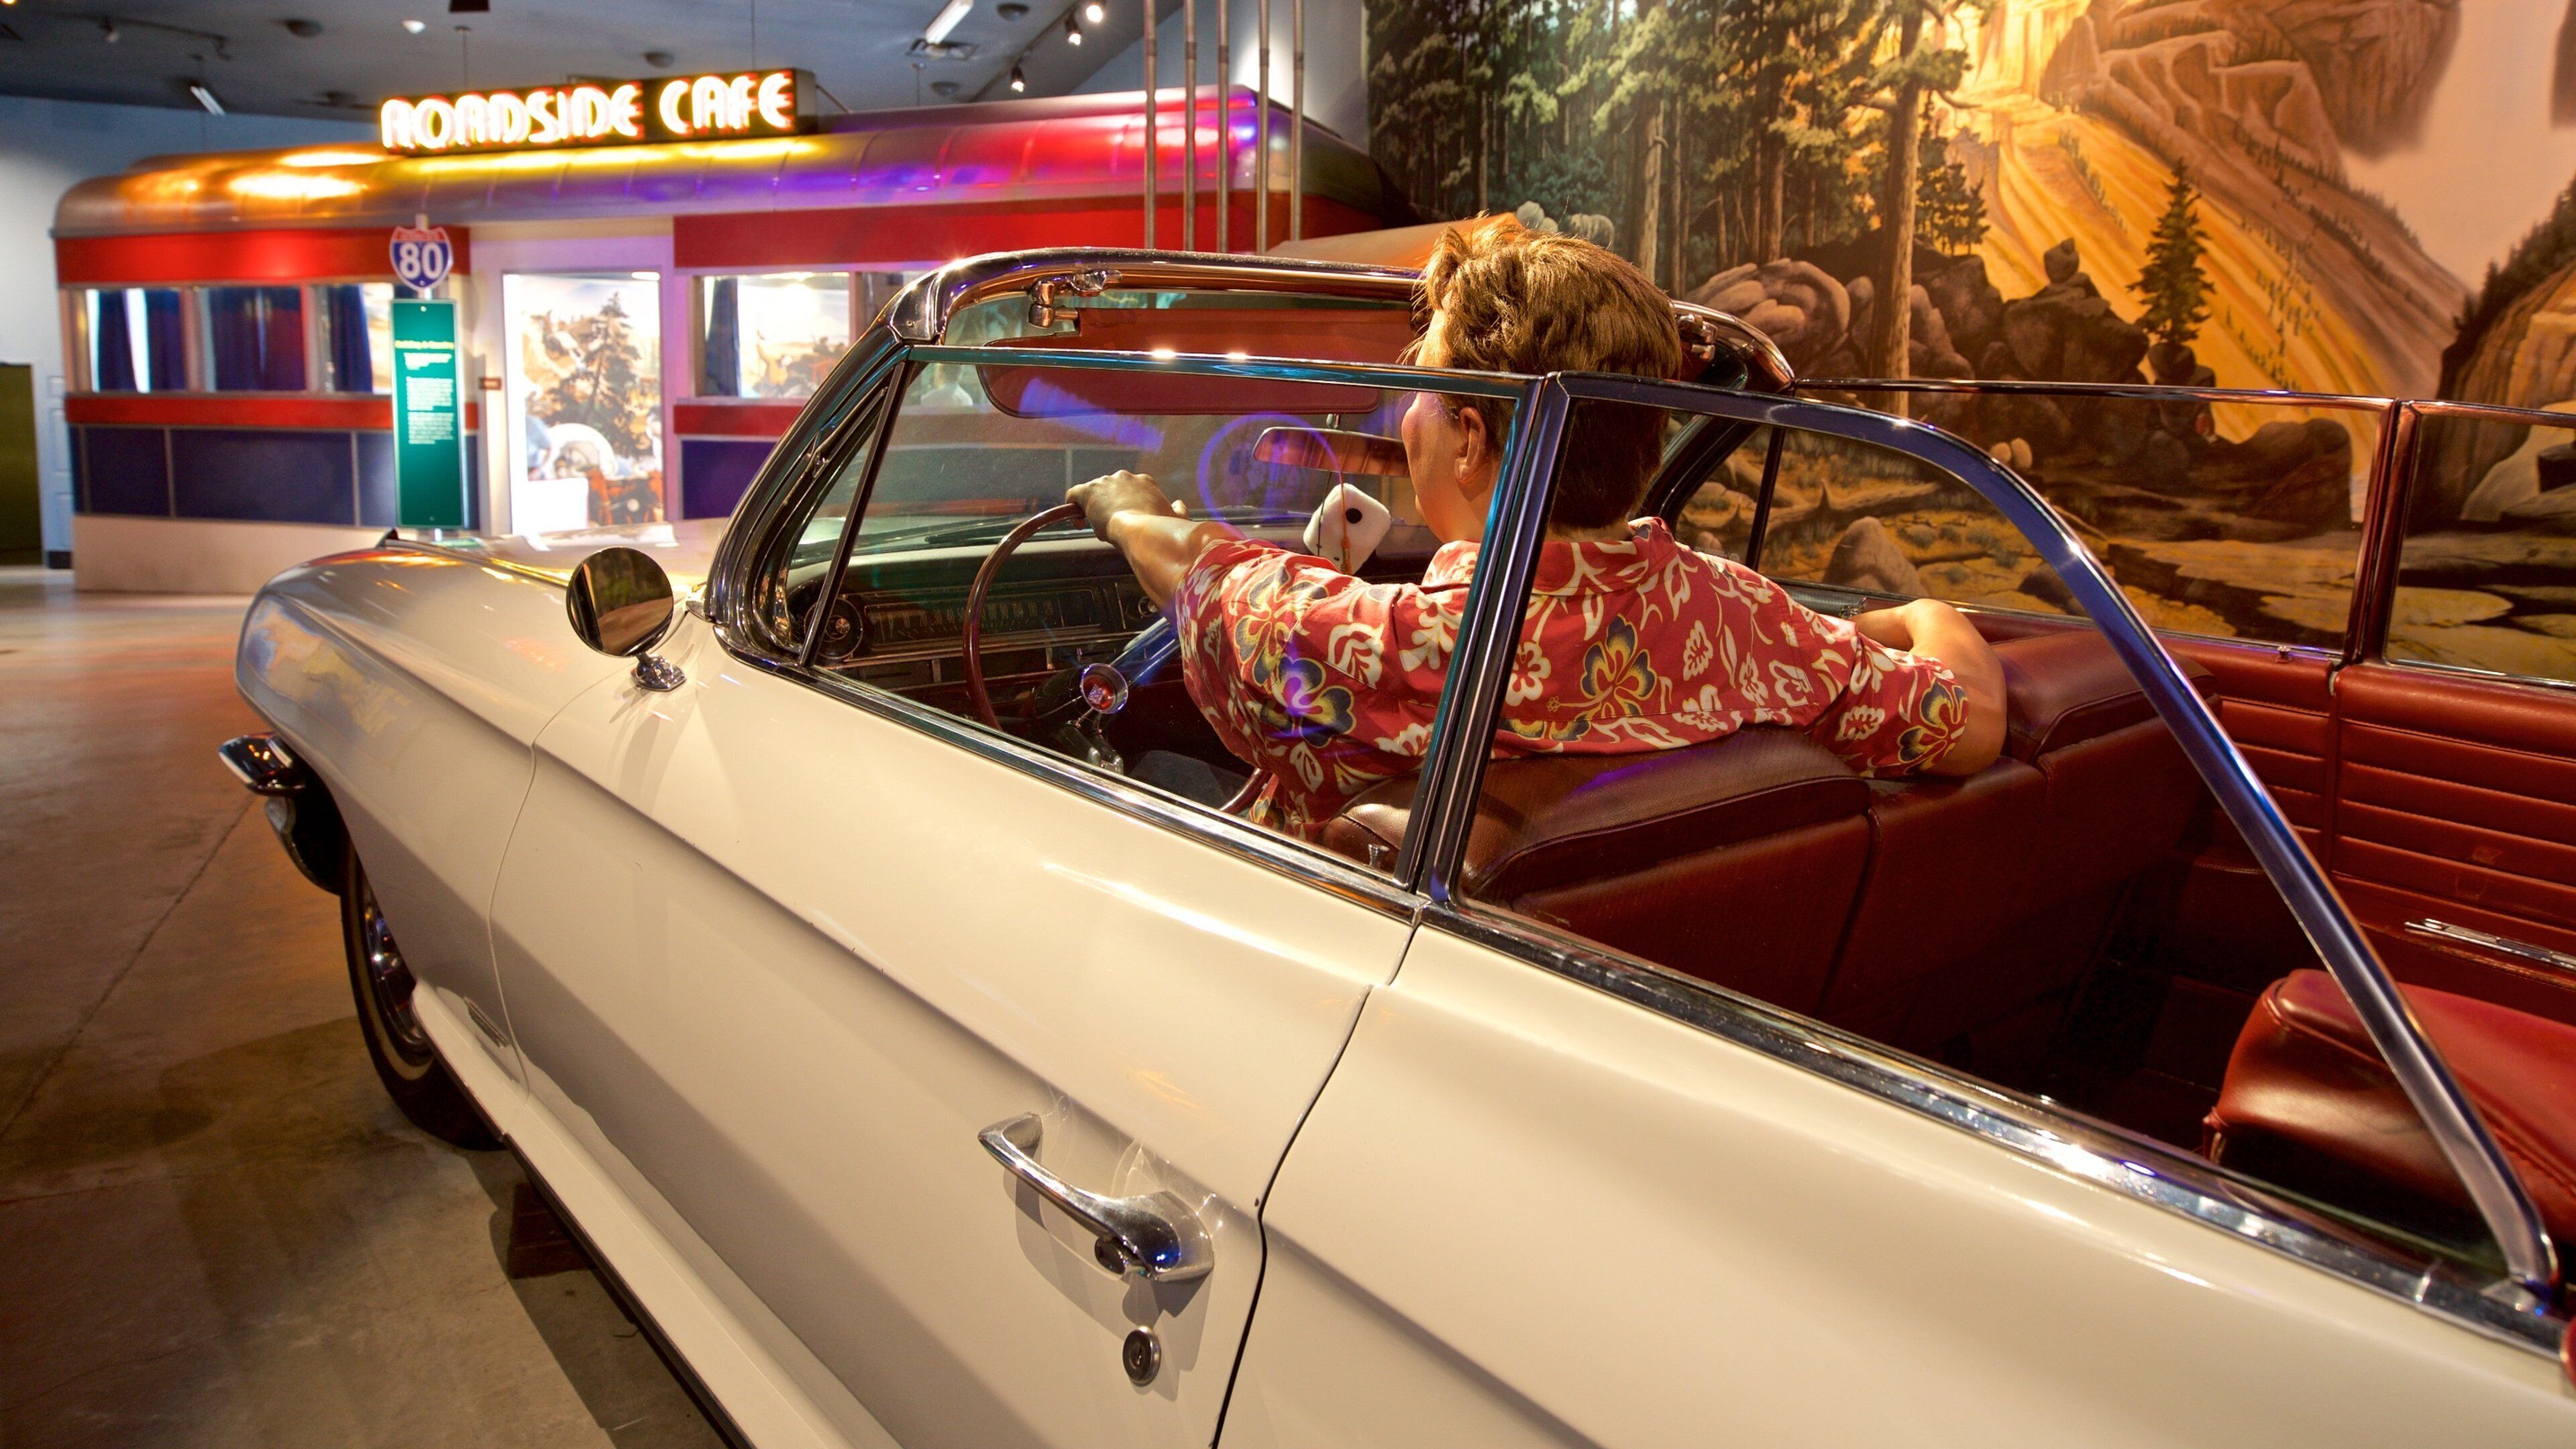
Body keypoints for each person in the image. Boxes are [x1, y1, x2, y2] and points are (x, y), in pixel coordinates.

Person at [1067, 217, 2007, 840]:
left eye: (1423, 394)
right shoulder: (1742, 618)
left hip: (1321, 985)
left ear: (1470, 436)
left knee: (1139, 767)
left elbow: (1202, 568)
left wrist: (1123, 506)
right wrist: (1919, 611)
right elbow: (1969, 726)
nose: (1407, 421)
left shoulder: (1401, 643)